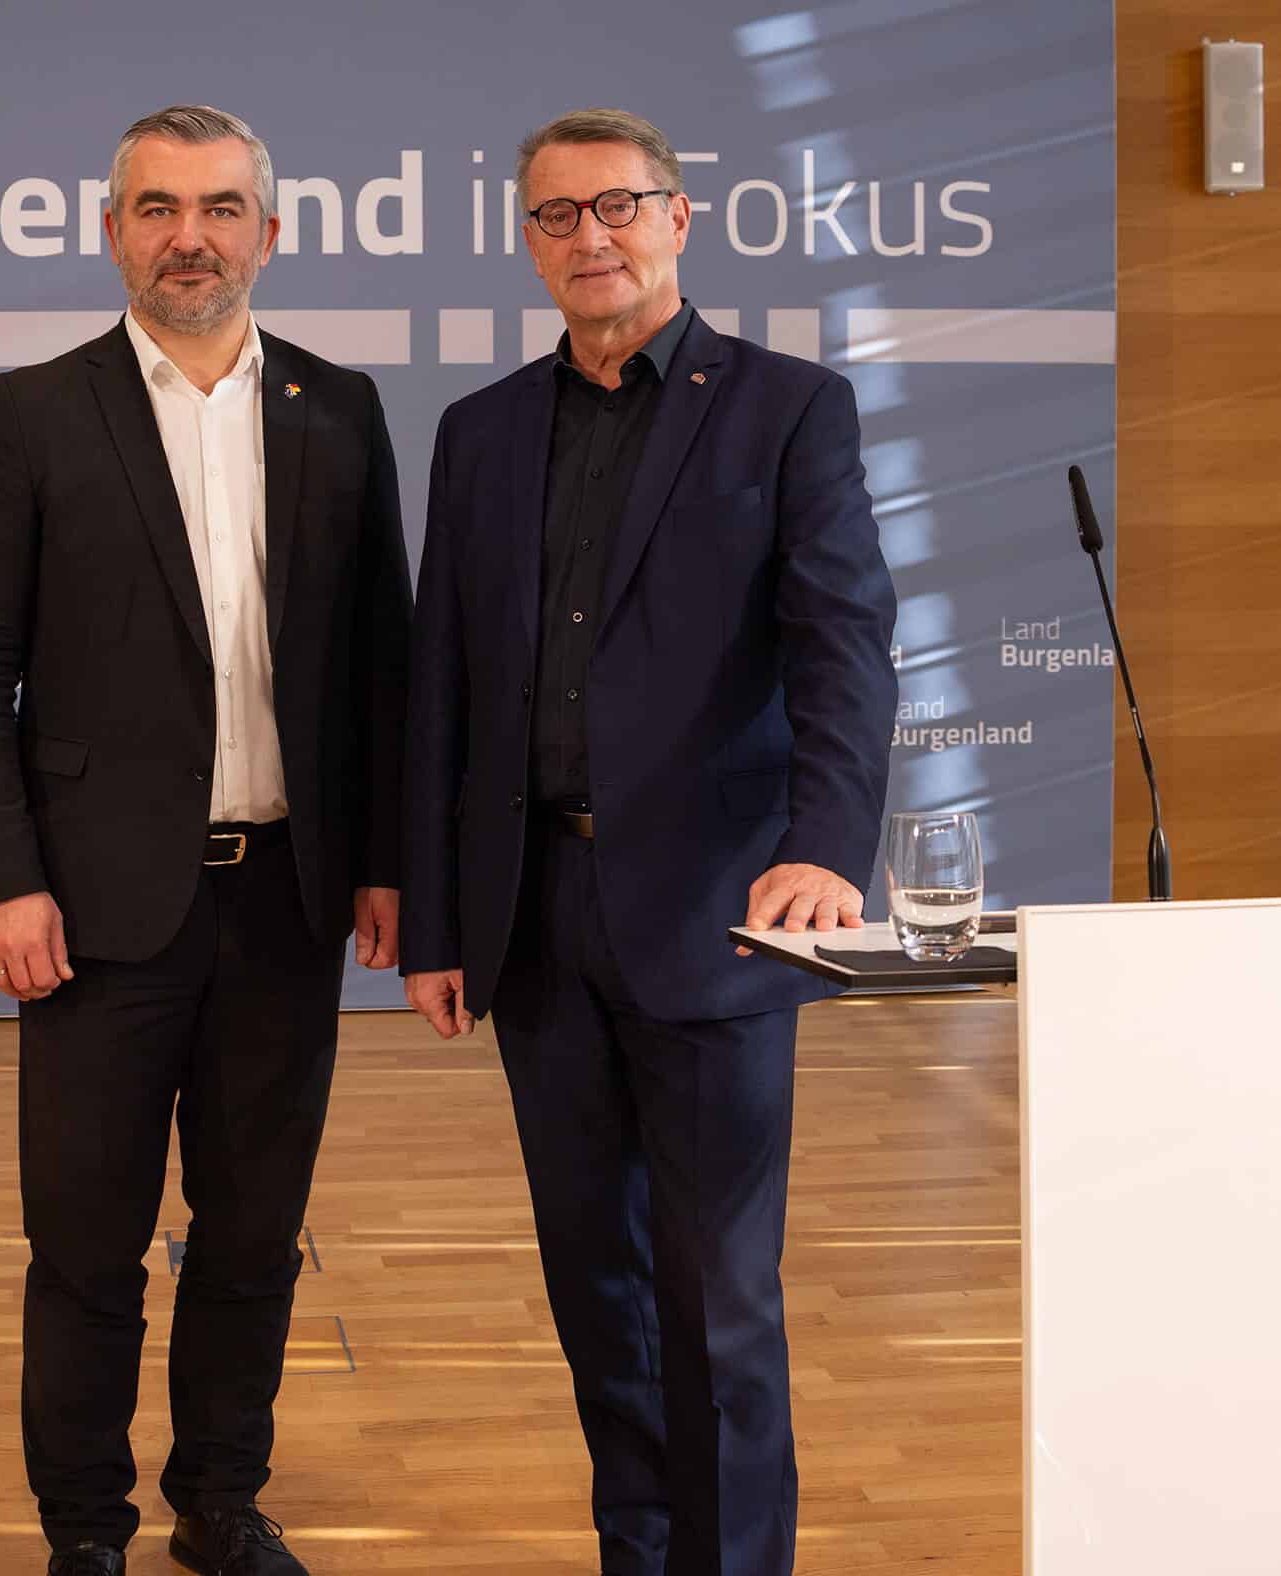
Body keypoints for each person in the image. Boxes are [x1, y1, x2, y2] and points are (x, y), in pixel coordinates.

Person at [399, 108, 898, 1576]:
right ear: (528, 241)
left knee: (719, 1296)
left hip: (718, 913)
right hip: (533, 916)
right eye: (556, 216)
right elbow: (443, 687)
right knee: (593, 1285)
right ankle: (640, 1550)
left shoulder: (786, 408)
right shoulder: (478, 433)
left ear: (680, 219)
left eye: (617, 206)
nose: (589, 237)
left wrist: (824, 844)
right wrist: (435, 919)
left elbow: (843, 648)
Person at [0, 104, 412, 1576]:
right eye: (155, 207)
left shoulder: (338, 406)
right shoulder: (34, 409)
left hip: (287, 902)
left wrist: (385, 856)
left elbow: (378, 660)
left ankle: (219, 1503)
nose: (186, 236)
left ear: (268, 232)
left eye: (215, 207)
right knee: (84, 1251)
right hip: (92, 909)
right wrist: (2, 877)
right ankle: (84, 1528)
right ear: (112, 230)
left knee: (253, 1240)